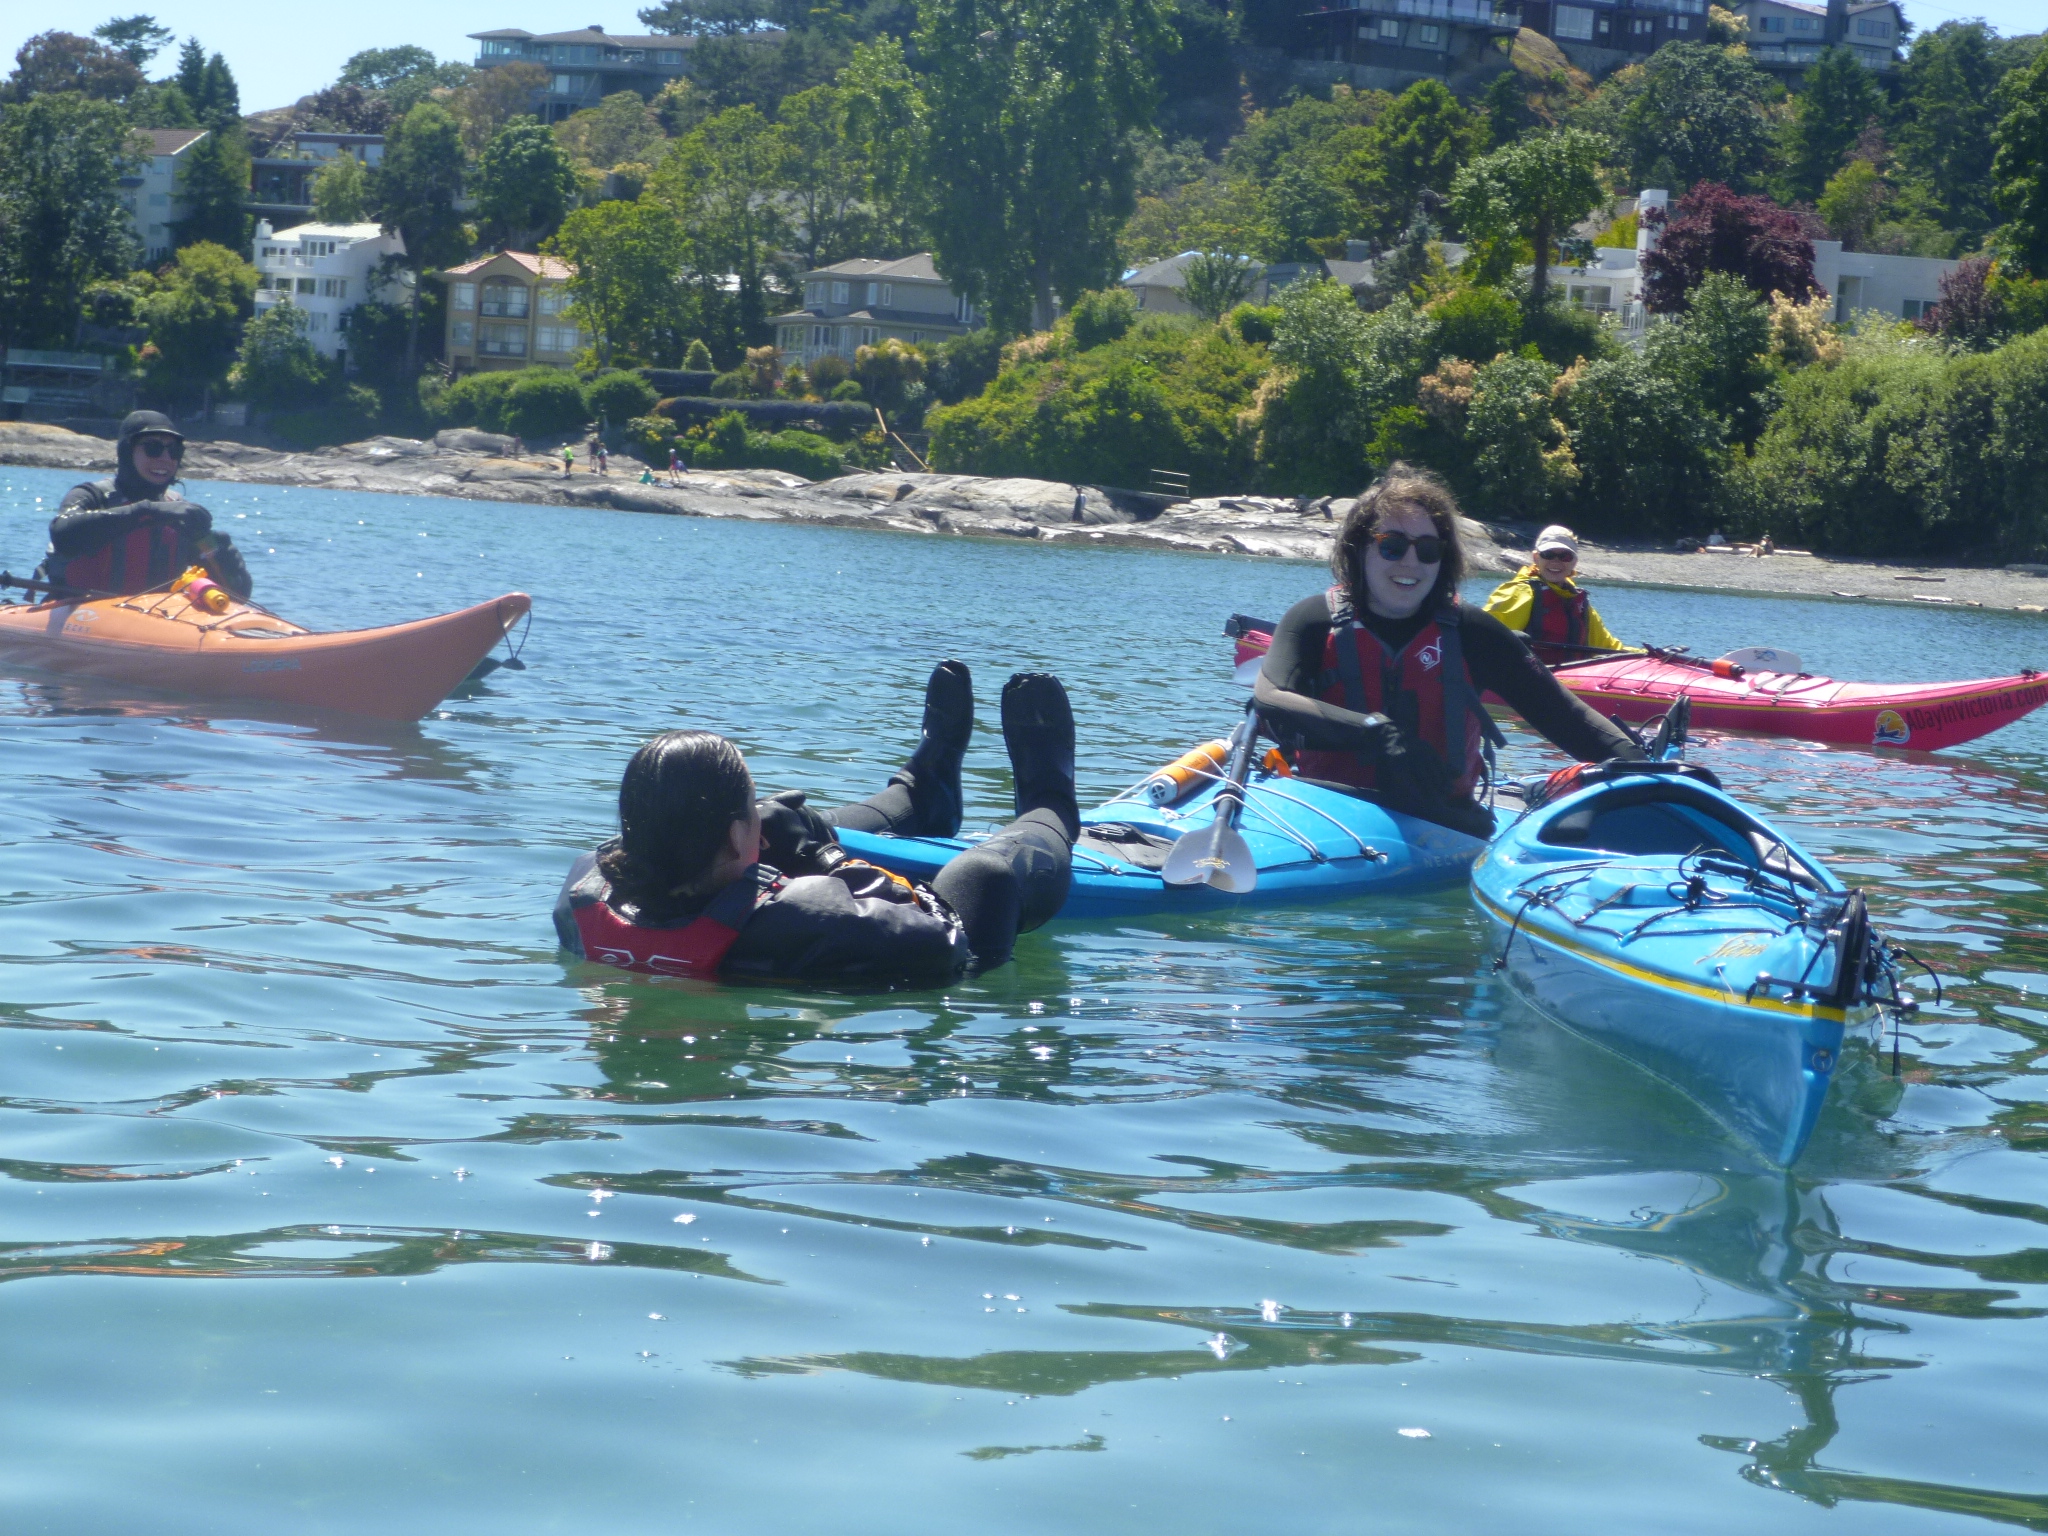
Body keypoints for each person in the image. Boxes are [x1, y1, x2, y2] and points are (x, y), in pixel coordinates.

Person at [555, 665, 1079, 986]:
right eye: (749, 814)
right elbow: (942, 936)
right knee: (987, 872)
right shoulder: (813, 920)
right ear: (737, 835)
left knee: (799, 824)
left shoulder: (581, 893)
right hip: (951, 952)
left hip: (713, 886)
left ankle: (922, 791)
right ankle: (1050, 803)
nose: (759, 828)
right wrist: (825, 858)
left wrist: (769, 831)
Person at [1253, 465, 1641, 840]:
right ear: (1358, 549)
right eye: (1392, 546)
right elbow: (1269, 699)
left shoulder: (1473, 632)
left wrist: (1651, 771)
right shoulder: (1312, 619)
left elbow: (1569, 718)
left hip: (1443, 826)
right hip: (1323, 815)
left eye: (1427, 550)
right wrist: (1374, 731)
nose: (1410, 562)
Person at [33, 411, 251, 599]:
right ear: (128, 452)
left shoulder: (181, 514)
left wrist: (222, 556)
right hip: (82, 617)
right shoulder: (91, 496)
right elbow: (62, 535)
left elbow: (238, 594)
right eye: (153, 449)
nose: (165, 458)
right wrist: (147, 511)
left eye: (174, 451)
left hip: (151, 625)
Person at [1482, 524, 1627, 667]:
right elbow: (1484, 639)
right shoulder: (1519, 592)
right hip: (1530, 681)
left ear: (1574, 562)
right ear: (1536, 558)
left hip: (1570, 681)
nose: (1556, 561)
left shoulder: (1578, 602)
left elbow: (1609, 647)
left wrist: (1646, 655)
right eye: (1548, 554)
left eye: (1565, 556)